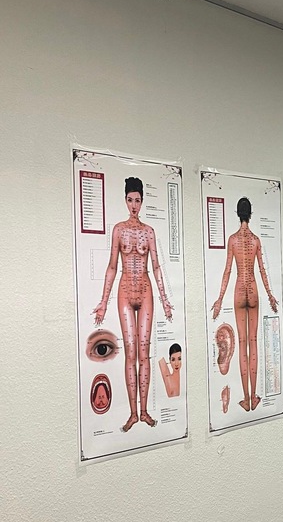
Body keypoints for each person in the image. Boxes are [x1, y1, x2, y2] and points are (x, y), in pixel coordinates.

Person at [93, 177, 173, 432]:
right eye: (130, 200)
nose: (134, 205)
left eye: (138, 200)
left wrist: (165, 300)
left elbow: (156, 267)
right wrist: (103, 302)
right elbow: (112, 266)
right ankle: (132, 414)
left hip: (146, 290)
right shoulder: (118, 230)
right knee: (130, 354)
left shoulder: (149, 231)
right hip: (125, 290)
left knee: (144, 353)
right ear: (125, 200)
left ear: (142, 201)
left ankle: (145, 411)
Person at [212, 197, 278, 412]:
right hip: (254, 290)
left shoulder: (232, 240)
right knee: (253, 342)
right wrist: (270, 295)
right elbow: (262, 270)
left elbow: (228, 270)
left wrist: (220, 299)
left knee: (242, 343)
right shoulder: (256, 240)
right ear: (250, 214)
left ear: (237, 214)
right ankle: (254, 397)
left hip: (240, 289)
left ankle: (247, 398)